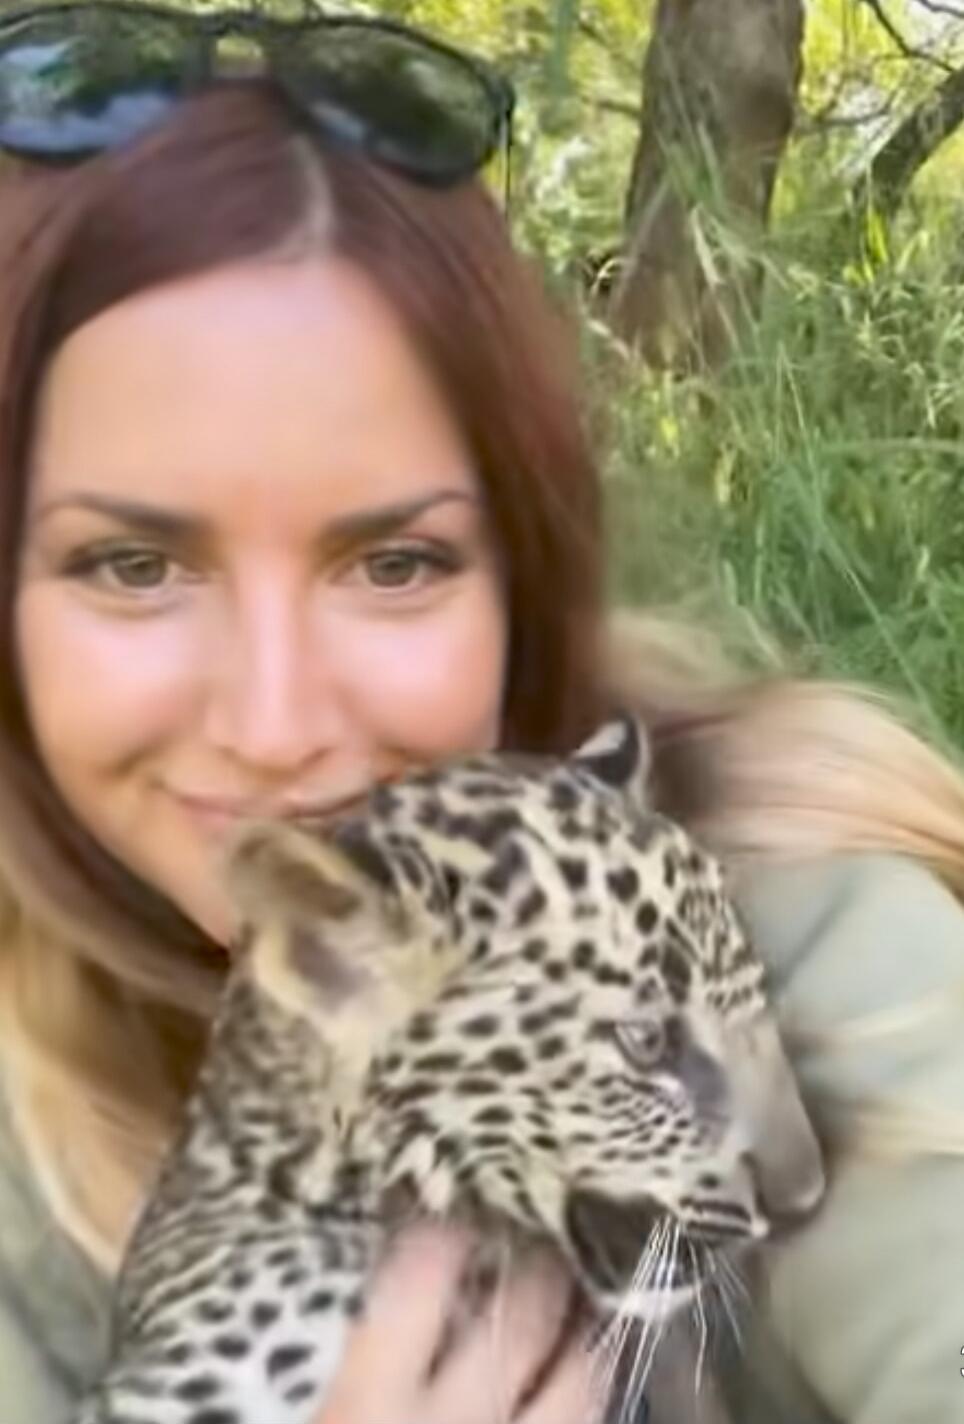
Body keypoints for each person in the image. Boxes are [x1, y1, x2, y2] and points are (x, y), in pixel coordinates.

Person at [0, 8, 962, 1424]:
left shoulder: (784, 925)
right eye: (133, 567)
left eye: (395, 564)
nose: (275, 725)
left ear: (523, 578)